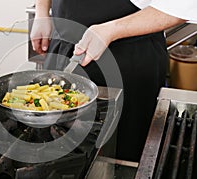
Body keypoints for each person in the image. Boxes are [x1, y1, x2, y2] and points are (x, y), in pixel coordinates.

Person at [30, 0, 196, 162]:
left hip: (127, 60)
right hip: (63, 47)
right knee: (55, 152)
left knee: (117, 155)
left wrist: (111, 30)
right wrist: (42, 12)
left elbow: (184, 5)